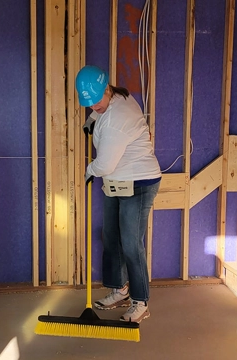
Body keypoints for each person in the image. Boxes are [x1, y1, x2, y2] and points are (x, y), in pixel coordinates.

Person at [75, 65, 161, 323]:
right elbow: (101, 114)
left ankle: (140, 301)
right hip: (116, 183)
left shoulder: (116, 118)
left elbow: (105, 165)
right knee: (111, 237)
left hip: (138, 183)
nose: (94, 107)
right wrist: (92, 121)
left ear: (107, 89)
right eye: (88, 105)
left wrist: (89, 170)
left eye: (96, 102)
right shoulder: (115, 98)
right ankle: (119, 289)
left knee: (131, 245)